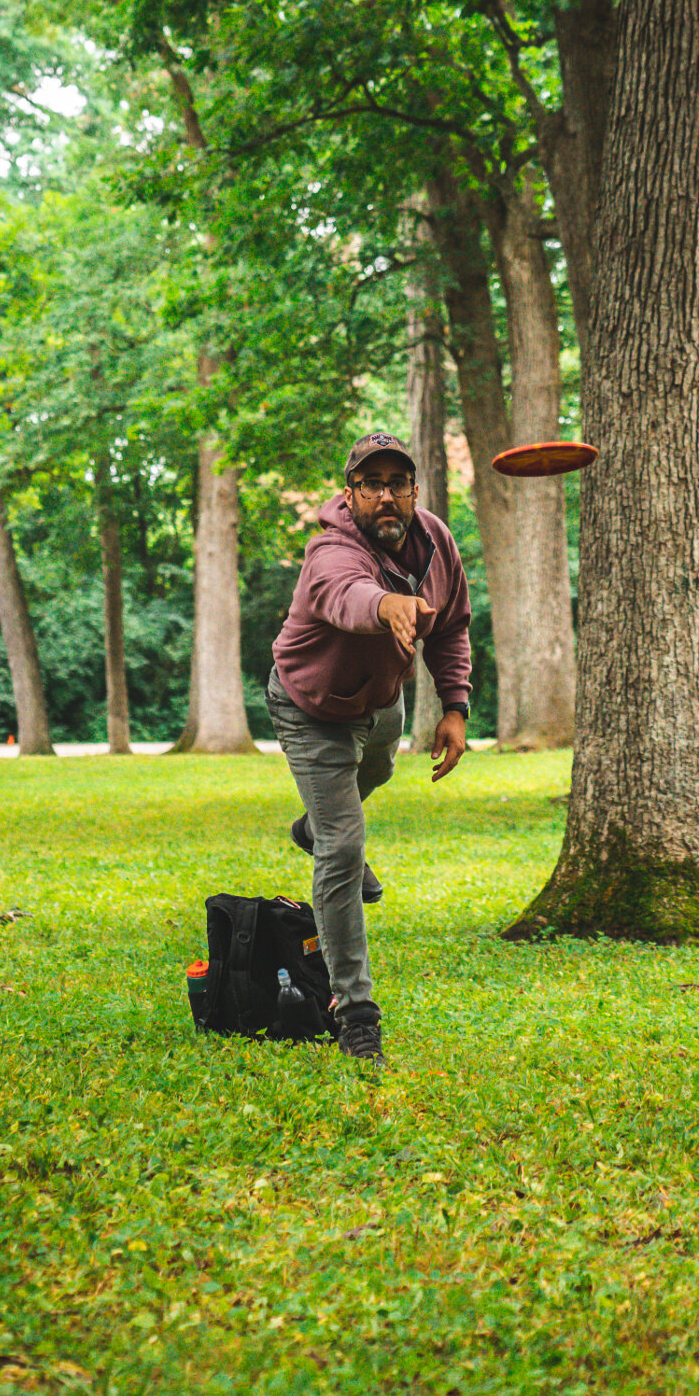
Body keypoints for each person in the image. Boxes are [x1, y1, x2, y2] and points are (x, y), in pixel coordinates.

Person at [266, 432, 472, 1062]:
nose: (387, 497)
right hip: (311, 707)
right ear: (350, 492)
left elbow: (453, 625)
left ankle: (315, 826)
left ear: (414, 489)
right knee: (344, 849)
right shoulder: (331, 548)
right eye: (371, 485)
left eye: (398, 484)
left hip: (383, 703)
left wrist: (456, 706)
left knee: (375, 773)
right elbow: (343, 596)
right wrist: (388, 606)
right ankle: (354, 1009)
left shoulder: (435, 542)